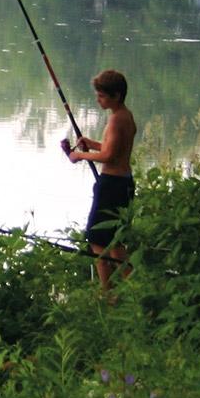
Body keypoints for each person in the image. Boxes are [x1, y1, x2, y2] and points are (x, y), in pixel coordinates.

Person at [67, 69, 136, 292]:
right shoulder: (126, 115)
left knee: (97, 240)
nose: (98, 99)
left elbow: (108, 156)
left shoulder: (115, 120)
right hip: (123, 183)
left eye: (102, 96)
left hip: (112, 186)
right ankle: (135, 289)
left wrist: (79, 155)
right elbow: (115, 149)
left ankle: (107, 293)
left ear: (116, 95)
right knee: (115, 242)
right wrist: (91, 144)